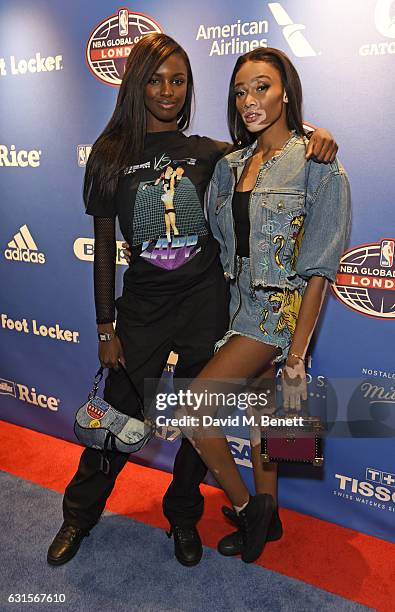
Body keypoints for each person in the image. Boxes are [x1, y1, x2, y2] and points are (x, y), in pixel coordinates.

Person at [47, 33, 339, 568]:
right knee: (115, 421)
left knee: (200, 431)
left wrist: (316, 136)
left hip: (210, 311)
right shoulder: (111, 157)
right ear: (135, 85)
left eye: (178, 80)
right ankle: (77, 516)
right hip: (142, 316)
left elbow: (275, 157)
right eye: (155, 80)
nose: (167, 91)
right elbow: (107, 251)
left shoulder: (214, 156)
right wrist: (105, 327)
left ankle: (183, 519)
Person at [176, 47, 351, 564]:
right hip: (234, 306)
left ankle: (248, 507)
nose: (249, 100)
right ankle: (268, 521)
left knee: (194, 410)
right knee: (264, 421)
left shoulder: (318, 163)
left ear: (286, 92)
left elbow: (319, 267)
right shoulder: (230, 165)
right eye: (240, 91)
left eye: (262, 87)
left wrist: (297, 355)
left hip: (278, 314)